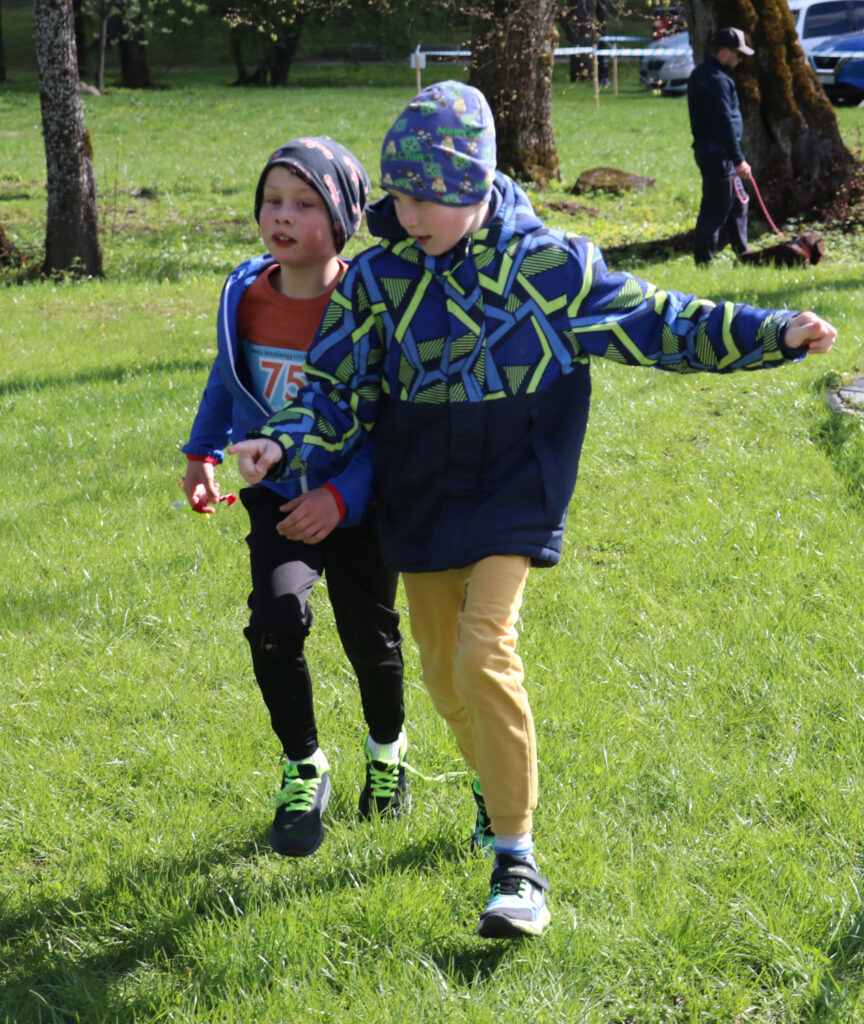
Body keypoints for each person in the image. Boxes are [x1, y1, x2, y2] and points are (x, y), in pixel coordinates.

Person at [227, 82, 837, 938]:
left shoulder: (549, 268)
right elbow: (335, 390)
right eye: (401, 195)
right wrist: (282, 442)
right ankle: (492, 786)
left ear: (477, 185)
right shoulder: (377, 278)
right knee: (445, 682)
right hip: (420, 493)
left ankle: (517, 862)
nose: (411, 214)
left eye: (431, 197)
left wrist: (770, 332)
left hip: (515, 484)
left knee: (484, 653)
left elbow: (658, 321)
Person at [181, 137, 408, 860]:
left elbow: (390, 420)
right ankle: (305, 766)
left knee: (371, 640)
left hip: (360, 506)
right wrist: (201, 453)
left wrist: (341, 496)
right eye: (272, 200)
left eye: (305, 203)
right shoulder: (246, 294)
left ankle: (387, 752)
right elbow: (227, 379)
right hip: (276, 498)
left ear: (342, 219)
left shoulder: (366, 303)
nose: (282, 215)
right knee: (275, 622)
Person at [687, 27, 755, 265]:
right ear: (725, 52)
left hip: (711, 152)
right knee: (715, 210)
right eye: (739, 54)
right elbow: (724, 122)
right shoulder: (718, 81)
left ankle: (743, 255)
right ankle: (703, 262)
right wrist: (739, 160)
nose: (740, 59)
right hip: (720, 156)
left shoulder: (700, 74)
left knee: (739, 204)